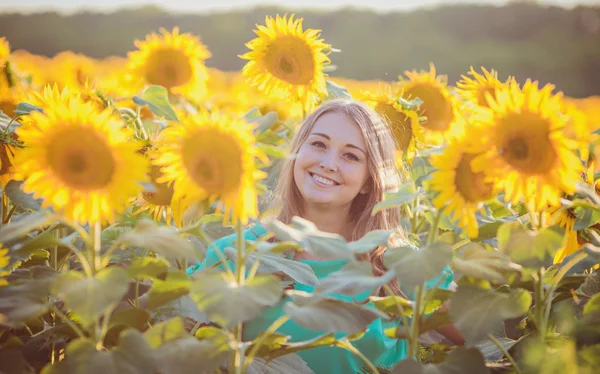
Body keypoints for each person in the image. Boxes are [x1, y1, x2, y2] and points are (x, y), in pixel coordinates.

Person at [186, 98, 462, 374]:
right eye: (318, 144)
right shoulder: (241, 252)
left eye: (350, 156)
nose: (328, 163)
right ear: (297, 152)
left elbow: (486, 337)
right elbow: (179, 337)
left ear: (369, 180)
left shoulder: (400, 265)